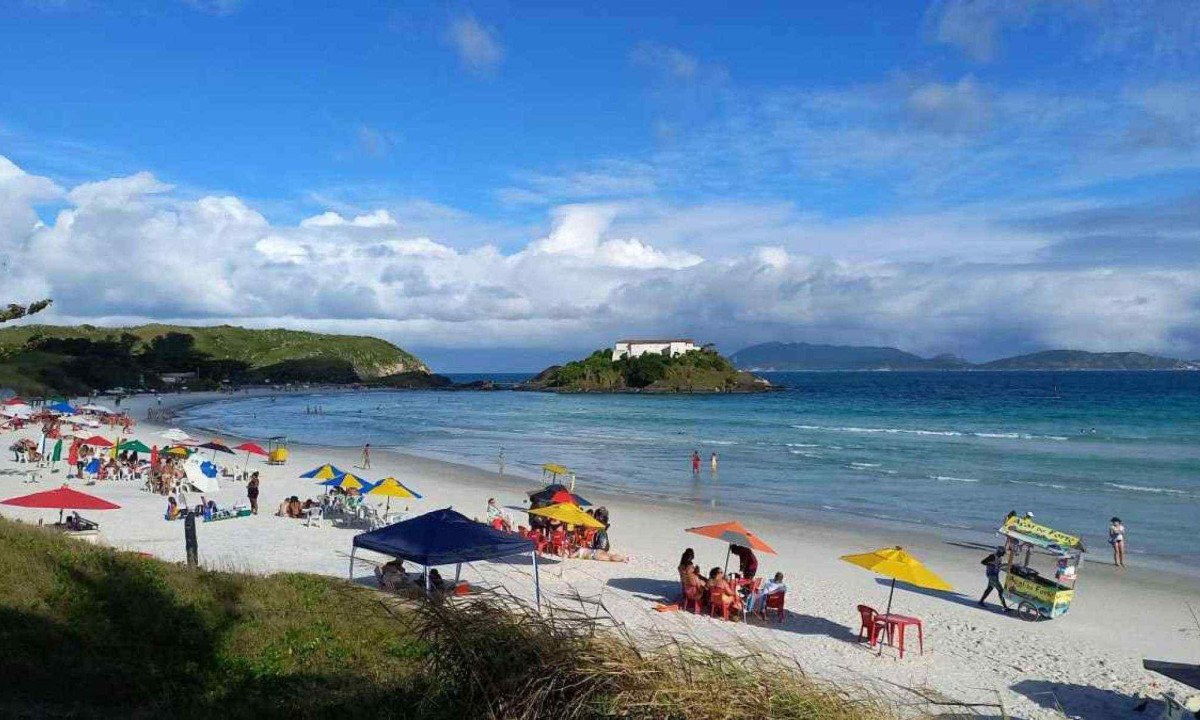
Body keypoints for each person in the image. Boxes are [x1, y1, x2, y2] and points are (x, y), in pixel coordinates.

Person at [979, 547, 1010, 611]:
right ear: (999, 551)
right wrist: (992, 565)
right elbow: (983, 562)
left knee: (989, 588)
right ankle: (1005, 606)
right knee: (1001, 590)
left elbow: (998, 566)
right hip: (991, 575)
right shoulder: (993, 556)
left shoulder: (1000, 558)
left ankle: (981, 601)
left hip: (995, 575)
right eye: (1003, 553)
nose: (1003, 554)